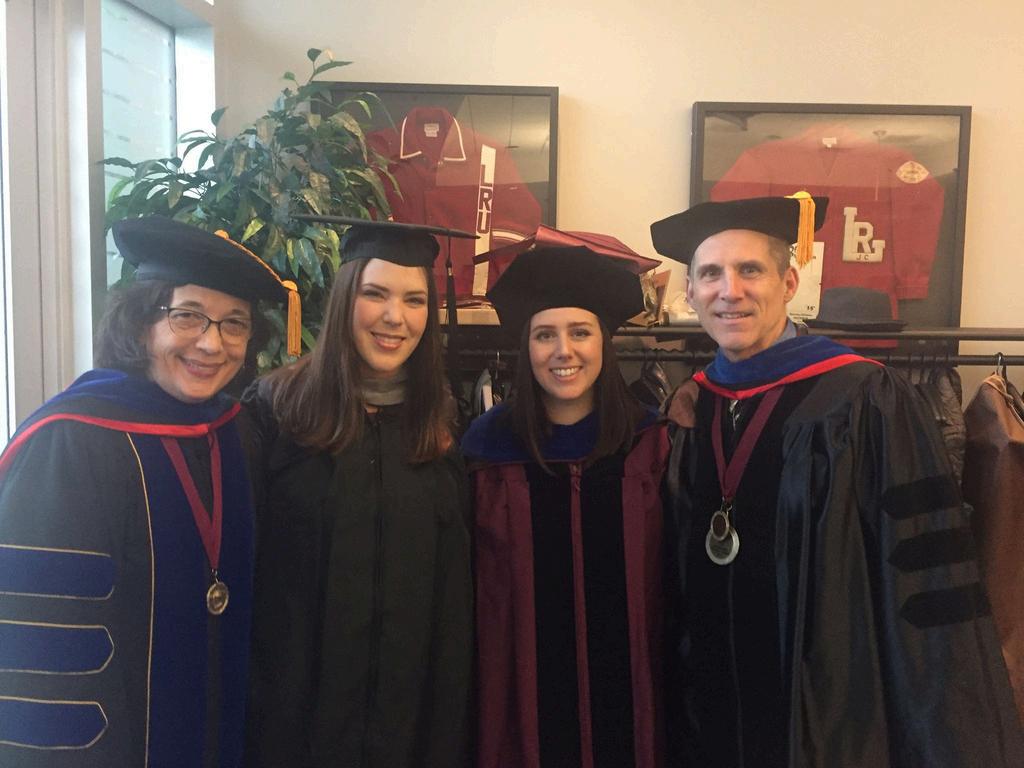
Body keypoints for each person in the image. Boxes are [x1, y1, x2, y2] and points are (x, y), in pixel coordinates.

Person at [649, 195, 1024, 767]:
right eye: (710, 274)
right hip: (706, 706)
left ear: (788, 282)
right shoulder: (691, 406)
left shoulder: (864, 397)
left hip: (830, 710)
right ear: (693, 292)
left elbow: (922, 574)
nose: (730, 290)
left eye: (750, 270)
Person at [0, 216, 297, 767]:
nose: (212, 343)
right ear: (141, 322)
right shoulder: (70, 444)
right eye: (187, 315)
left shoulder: (236, 433)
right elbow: (38, 652)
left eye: (234, 324)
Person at [242, 219, 473, 768]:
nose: (395, 317)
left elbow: (452, 606)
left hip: (406, 731)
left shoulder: (438, 428)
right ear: (346, 298)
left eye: (415, 300)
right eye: (375, 294)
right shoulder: (277, 413)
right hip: (293, 731)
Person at [461, 245, 670, 768]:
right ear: (526, 347)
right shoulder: (487, 449)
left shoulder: (650, 444)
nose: (563, 351)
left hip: (633, 693)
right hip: (519, 696)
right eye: (544, 335)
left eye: (580, 332)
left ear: (604, 343)